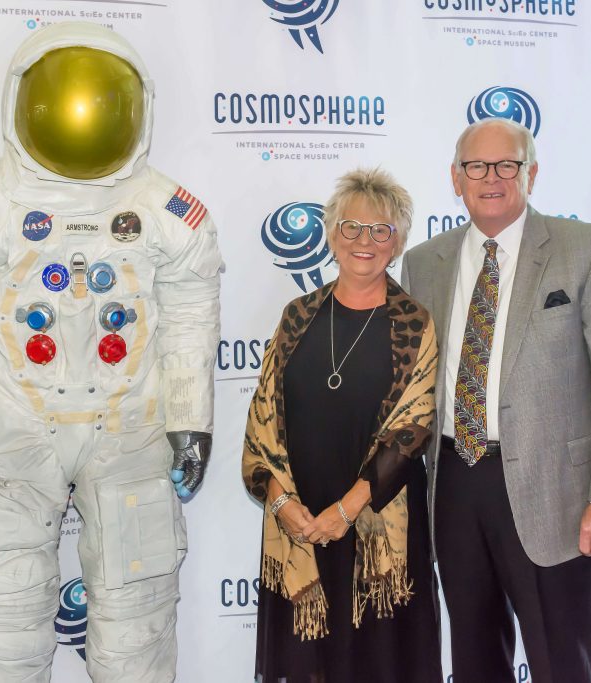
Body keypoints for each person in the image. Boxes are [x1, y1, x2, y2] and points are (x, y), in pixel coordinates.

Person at [0, 23, 222, 682]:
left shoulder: (169, 212)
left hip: (130, 432)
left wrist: (191, 419)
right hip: (14, 432)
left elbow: (191, 321)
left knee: (138, 619)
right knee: (4, 619)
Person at [400, 117, 591, 683]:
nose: (491, 177)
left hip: (554, 492)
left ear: (530, 174)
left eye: (507, 165)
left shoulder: (585, 247)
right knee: (474, 658)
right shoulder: (424, 263)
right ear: (456, 179)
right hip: (455, 485)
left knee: (561, 662)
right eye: (476, 166)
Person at [243, 168, 443, 683]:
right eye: (351, 227)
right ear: (332, 236)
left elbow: (411, 431)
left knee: (380, 664)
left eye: (380, 230)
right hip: (299, 522)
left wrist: (345, 511)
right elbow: (262, 422)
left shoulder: (415, 323)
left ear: (397, 243)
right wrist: (284, 505)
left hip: (375, 520)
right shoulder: (297, 316)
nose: (364, 241)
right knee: (308, 666)